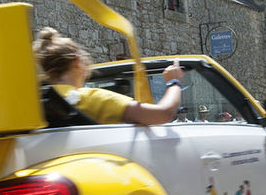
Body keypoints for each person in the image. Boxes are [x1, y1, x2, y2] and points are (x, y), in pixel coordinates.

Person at [33, 27, 183, 125]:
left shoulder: (35, 104)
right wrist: (174, 82)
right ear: (77, 62)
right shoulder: (92, 98)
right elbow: (163, 114)